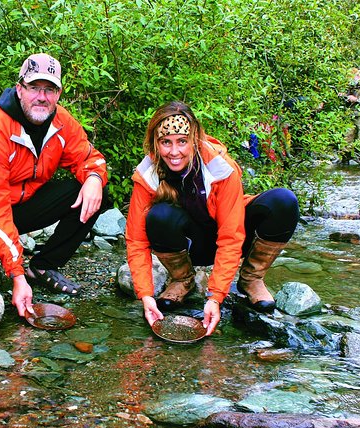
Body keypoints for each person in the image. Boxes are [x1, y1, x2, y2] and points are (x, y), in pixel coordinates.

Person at [0, 53, 109, 317]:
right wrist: (16, 274)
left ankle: (43, 265)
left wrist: (93, 178)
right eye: (34, 88)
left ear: (58, 94)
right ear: (19, 89)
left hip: (22, 203)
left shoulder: (61, 121)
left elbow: (90, 157)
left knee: (96, 190)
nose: (42, 97)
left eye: (50, 89)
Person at [125, 101, 299, 336]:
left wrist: (215, 297)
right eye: (166, 142)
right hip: (192, 244)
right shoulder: (148, 173)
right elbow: (136, 240)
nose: (174, 152)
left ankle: (252, 279)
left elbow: (231, 236)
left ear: (194, 139)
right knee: (159, 215)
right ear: (156, 143)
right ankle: (182, 280)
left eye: (182, 142)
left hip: (227, 236)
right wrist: (146, 295)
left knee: (283, 201)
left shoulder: (220, 167)